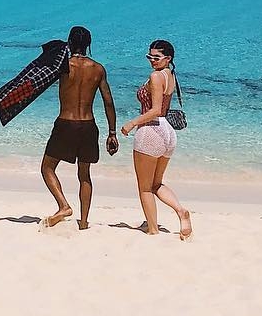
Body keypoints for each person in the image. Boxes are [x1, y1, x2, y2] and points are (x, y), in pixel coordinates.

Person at [40, 26, 118, 230]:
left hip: (65, 123)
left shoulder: (63, 65)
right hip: (88, 126)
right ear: (88, 45)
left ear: (69, 42)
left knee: (47, 167)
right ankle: (83, 223)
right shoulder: (98, 69)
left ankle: (63, 205)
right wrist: (112, 132)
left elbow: (39, 78)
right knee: (84, 174)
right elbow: (108, 102)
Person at [120, 39, 193, 240]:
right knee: (156, 184)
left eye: (156, 57)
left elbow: (155, 110)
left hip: (151, 131)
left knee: (145, 188)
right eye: (149, 57)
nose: (152, 60)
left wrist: (132, 123)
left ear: (167, 58)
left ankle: (153, 229)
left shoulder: (156, 76)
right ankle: (181, 211)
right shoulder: (170, 75)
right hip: (168, 132)